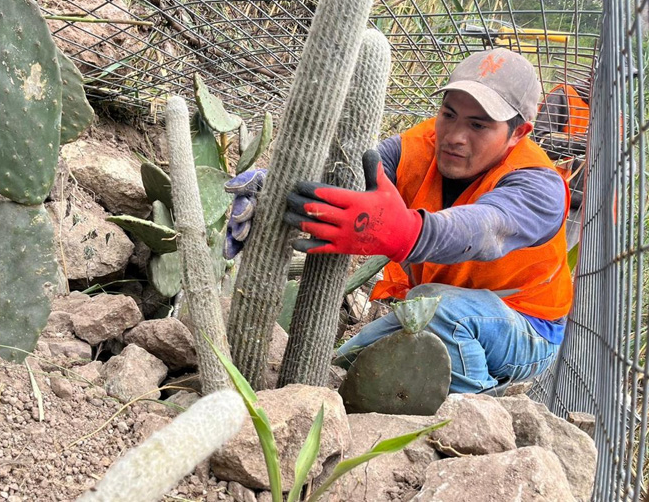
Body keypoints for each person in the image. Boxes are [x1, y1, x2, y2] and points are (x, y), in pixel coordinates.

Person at [227, 48, 573, 394]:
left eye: (478, 125)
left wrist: (407, 232)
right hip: (436, 305)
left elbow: (486, 228)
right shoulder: (420, 145)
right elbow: (351, 178)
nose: (454, 136)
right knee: (346, 368)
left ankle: (479, 408)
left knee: (439, 311)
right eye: (448, 114)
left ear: (518, 133)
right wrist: (275, 188)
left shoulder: (538, 184)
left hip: (525, 327)